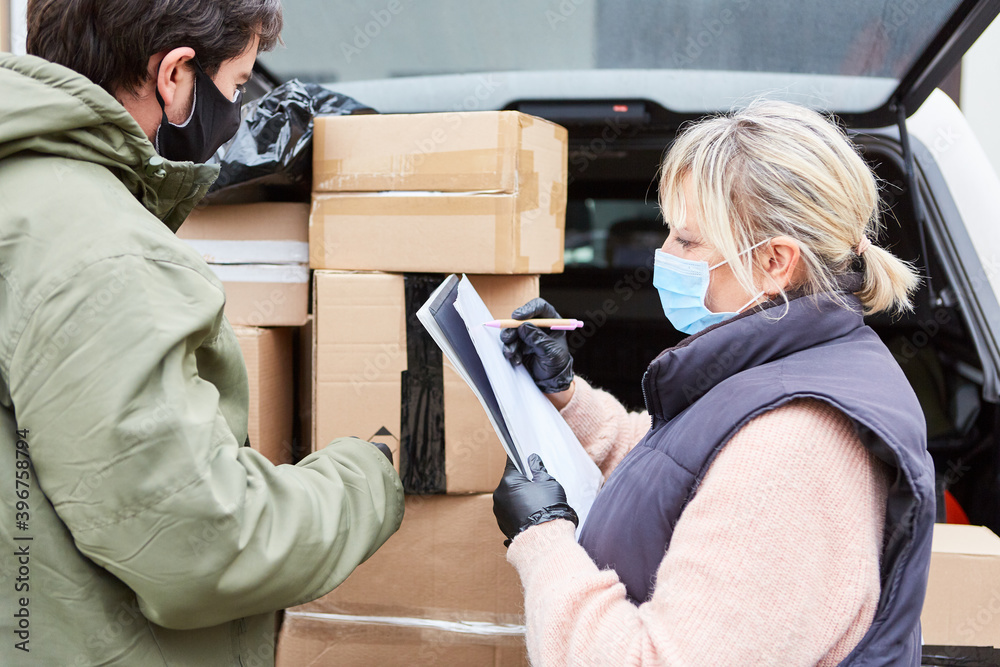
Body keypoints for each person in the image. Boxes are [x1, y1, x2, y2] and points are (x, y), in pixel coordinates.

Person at [0, 2, 403, 665]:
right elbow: (199, 545)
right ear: (176, 76)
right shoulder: (99, 252)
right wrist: (369, 474)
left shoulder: (24, 192)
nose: (237, 114)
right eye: (238, 87)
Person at [494, 101, 935, 666]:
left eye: (688, 241)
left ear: (776, 260)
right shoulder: (799, 367)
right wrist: (566, 397)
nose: (663, 256)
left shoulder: (797, 447)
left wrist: (541, 538)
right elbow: (684, 476)